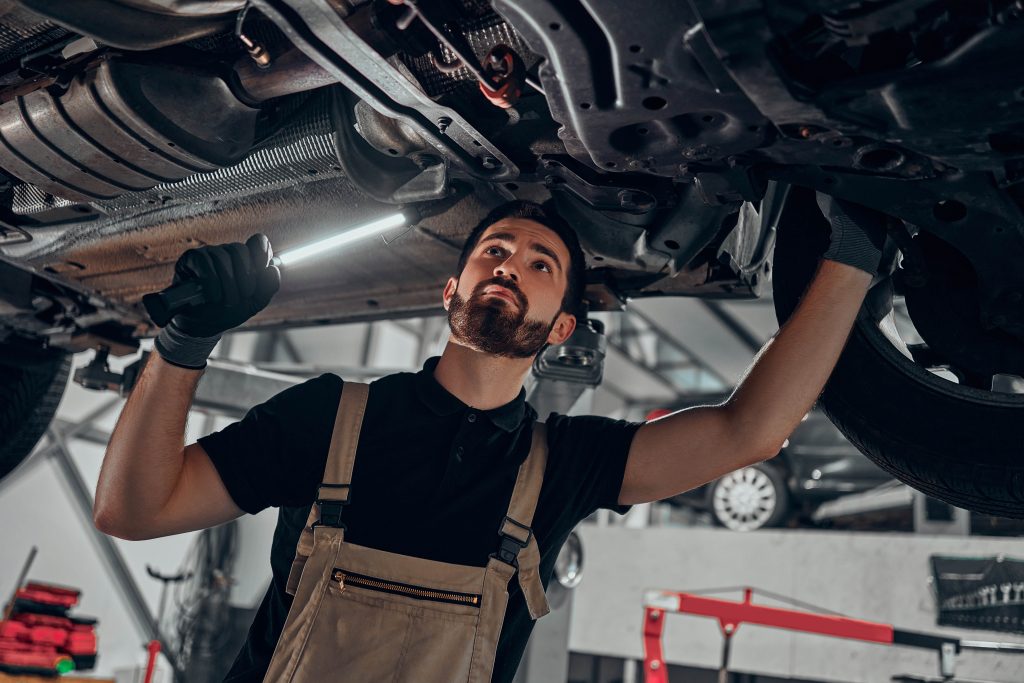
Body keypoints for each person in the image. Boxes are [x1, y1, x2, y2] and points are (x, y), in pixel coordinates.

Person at [93, 196, 886, 682]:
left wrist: (851, 253)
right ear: (452, 291)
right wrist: (184, 344)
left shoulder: (565, 465)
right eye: (494, 251)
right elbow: (132, 509)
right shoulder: (331, 416)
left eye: (541, 264)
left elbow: (751, 430)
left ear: (561, 327)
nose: (510, 265)